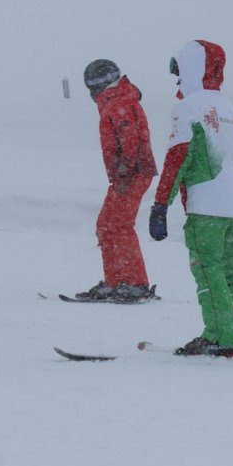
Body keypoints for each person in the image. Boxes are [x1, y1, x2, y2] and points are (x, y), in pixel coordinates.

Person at [148, 39, 233, 360]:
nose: (177, 80)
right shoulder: (228, 107)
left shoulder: (189, 107)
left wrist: (160, 205)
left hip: (206, 203)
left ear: (193, 69)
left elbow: (178, 157)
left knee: (208, 270)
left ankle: (221, 336)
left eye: (179, 72)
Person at [76, 59, 159, 303]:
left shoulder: (120, 101)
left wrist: (125, 171)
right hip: (124, 174)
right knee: (106, 224)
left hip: (133, 173)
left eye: (92, 86)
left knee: (120, 225)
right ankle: (115, 281)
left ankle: (135, 283)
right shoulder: (113, 101)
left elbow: (130, 138)